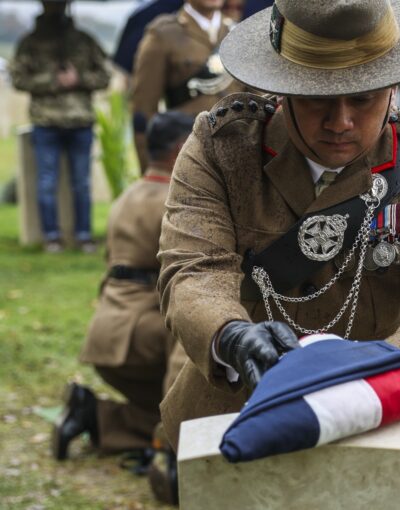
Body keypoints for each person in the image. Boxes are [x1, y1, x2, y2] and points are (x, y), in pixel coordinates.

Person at [156, 1, 400, 508]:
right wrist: (233, 335)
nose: (341, 121)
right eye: (317, 100)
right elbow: (193, 269)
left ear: (393, 87)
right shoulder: (223, 146)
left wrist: (363, 385)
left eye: (363, 98)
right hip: (240, 404)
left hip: (385, 409)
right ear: (282, 87)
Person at [52, 112, 194, 465]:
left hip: (105, 334)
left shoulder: (127, 196)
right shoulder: (175, 202)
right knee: (193, 363)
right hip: (141, 337)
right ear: (181, 150)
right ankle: (176, 450)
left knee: (165, 414)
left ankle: (94, 417)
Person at [10, 0, 110, 253]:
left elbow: (104, 75)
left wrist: (79, 79)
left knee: (82, 182)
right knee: (46, 182)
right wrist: (53, 80)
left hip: (80, 121)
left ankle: (84, 235)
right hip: (46, 122)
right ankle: (51, 237)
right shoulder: (30, 43)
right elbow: (19, 78)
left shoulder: (83, 41)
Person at [130, 0, 244, 172]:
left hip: (238, 152)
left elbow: (257, 101)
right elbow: (143, 113)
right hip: (190, 158)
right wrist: (153, 172)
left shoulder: (238, 33)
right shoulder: (163, 34)